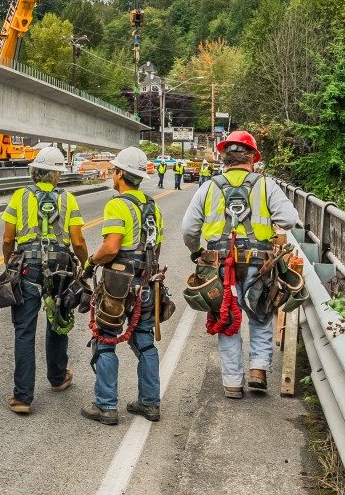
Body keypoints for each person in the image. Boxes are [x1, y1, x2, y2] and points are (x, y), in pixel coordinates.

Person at [180, 130, 299, 399]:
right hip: (260, 265)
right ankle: (258, 370)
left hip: (220, 266)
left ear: (224, 159)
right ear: (253, 159)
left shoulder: (208, 187)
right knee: (260, 314)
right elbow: (289, 220)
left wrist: (196, 251)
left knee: (228, 319)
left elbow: (189, 229)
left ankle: (233, 382)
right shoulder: (266, 186)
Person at [0, 146, 88, 415]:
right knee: (58, 322)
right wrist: (84, 264)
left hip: (28, 266)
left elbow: (7, 238)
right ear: (56, 175)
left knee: (24, 330)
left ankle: (23, 397)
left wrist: (9, 263)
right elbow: (78, 240)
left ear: (36, 172)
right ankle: (58, 377)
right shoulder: (67, 199)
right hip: (60, 267)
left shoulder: (20, 196)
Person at [82, 145, 165, 425]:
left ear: (120, 174)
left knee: (104, 341)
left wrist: (91, 263)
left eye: (113, 170)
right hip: (147, 282)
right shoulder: (152, 207)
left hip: (119, 284)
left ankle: (106, 407)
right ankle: (149, 403)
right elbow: (157, 246)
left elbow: (111, 246)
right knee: (144, 342)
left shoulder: (117, 204)